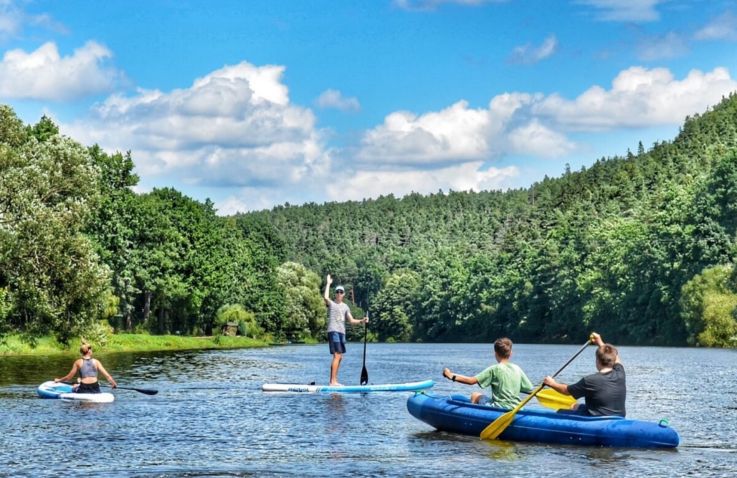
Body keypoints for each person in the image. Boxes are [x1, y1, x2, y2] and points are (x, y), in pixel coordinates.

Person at [543, 333, 626, 417]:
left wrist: (551, 383)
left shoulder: (590, 380)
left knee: (560, 412)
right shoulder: (620, 373)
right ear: (613, 360)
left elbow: (566, 391)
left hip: (597, 420)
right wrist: (600, 342)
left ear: (597, 360)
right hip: (619, 417)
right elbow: (616, 358)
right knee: (575, 406)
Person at [442, 337, 533, 409]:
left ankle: (473, 418)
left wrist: (450, 375)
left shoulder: (494, 369)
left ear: (495, 353)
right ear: (511, 353)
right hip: (516, 407)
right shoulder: (517, 369)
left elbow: (471, 381)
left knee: (475, 395)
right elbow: (530, 390)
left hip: (499, 407)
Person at [324, 274, 368, 386]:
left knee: (340, 356)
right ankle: (332, 382)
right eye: (337, 291)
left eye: (341, 292)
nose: (339, 293)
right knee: (337, 355)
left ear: (343, 294)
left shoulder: (345, 307)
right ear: (336, 293)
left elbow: (351, 320)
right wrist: (328, 284)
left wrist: (362, 321)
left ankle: (334, 380)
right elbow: (325, 298)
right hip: (333, 330)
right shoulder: (332, 304)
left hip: (341, 332)